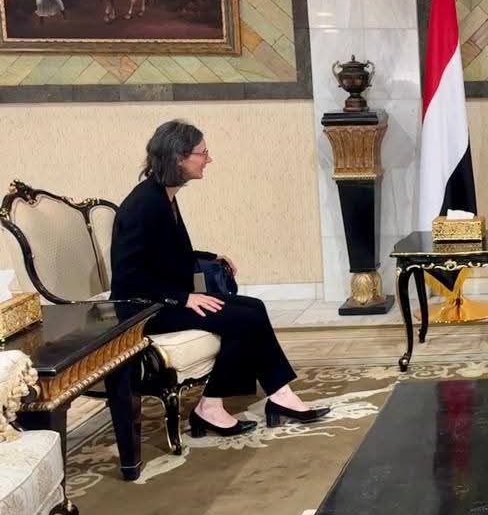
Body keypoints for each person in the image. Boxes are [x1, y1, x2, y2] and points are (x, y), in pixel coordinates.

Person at [110, 121, 330, 437]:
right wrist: (184, 298)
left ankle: (279, 395)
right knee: (242, 320)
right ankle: (212, 407)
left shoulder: (163, 195)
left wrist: (211, 257)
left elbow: (166, 252)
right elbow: (130, 277)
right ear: (179, 158)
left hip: (163, 299)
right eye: (203, 153)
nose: (208, 160)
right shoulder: (144, 205)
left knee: (253, 307)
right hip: (144, 310)